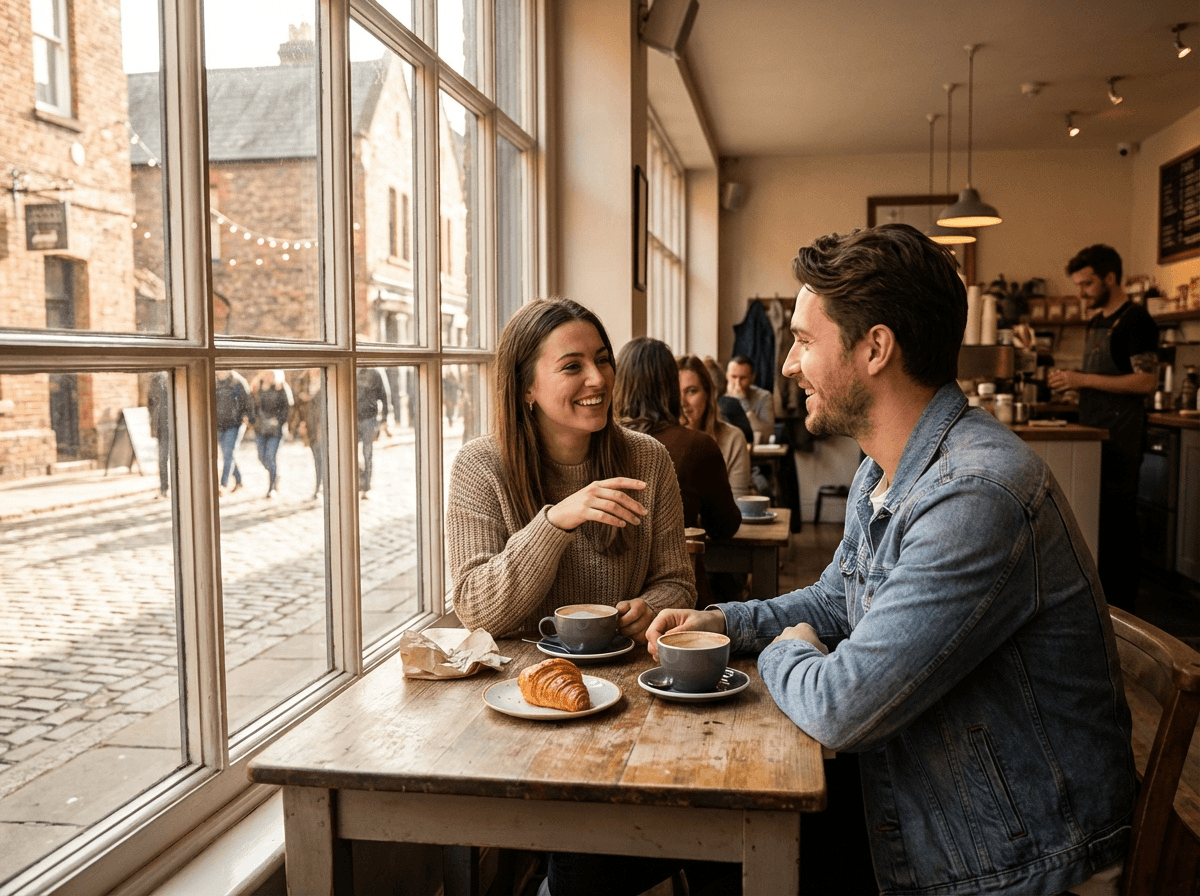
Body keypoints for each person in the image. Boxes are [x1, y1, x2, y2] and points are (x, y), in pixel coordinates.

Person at [649, 224, 1135, 896]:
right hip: (933, 798)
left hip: (1012, 859)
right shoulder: (890, 465)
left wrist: (789, 650)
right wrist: (717, 622)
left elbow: (842, 705)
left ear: (875, 347)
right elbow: (831, 601)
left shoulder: (975, 493)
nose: (788, 364)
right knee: (710, 824)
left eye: (803, 340)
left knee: (724, 838)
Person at [447, 300, 696, 896]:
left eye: (604, 361)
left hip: (629, 705)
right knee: (592, 851)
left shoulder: (647, 459)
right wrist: (554, 522)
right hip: (517, 713)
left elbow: (678, 583)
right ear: (526, 388)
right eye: (572, 366)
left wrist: (650, 608)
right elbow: (476, 607)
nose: (598, 380)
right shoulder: (482, 467)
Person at [1049, 245, 1158, 612]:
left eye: (1087, 283)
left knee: (1119, 524)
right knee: (1099, 521)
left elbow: (1146, 382)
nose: (1081, 292)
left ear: (1111, 277)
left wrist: (1081, 379)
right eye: (1078, 285)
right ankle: (1101, 600)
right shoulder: (1098, 321)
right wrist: (1075, 388)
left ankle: (1124, 607)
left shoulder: (1136, 320)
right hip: (1095, 432)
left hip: (1122, 436)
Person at [614, 337, 742, 606]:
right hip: (677, 600)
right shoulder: (697, 445)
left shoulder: (593, 443)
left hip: (607, 598)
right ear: (671, 387)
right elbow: (724, 526)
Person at [678, 354, 753, 498]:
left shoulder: (732, 438)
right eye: (675, 392)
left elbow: (737, 507)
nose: (682, 402)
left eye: (691, 391)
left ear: (707, 394)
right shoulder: (654, 441)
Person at [252, 370, 293, 498]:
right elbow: (251, 407)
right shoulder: (256, 388)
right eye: (266, 374)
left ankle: (271, 488)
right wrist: (254, 422)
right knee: (261, 457)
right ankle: (275, 474)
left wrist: (279, 420)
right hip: (260, 429)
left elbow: (287, 407)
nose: (268, 377)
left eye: (271, 374)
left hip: (276, 430)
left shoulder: (280, 388)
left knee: (270, 456)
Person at [215, 369, 252, 494]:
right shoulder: (214, 381)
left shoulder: (238, 381)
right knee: (228, 454)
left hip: (235, 424)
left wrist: (246, 418)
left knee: (228, 453)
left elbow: (248, 401)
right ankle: (239, 481)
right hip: (219, 424)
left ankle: (222, 484)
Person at [725, 353, 775, 445]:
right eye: (733, 377)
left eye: (742, 378)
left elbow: (767, 435)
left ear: (752, 378)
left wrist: (742, 402)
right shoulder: (720, 397)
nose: (737, 383)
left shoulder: (764, 397)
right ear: (727, 376)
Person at [356, 366, 389, 499]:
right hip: (351, 418)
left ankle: (366, 487)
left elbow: (385, 395)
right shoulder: (350, 370)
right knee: (351, 454)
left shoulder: (375, 372)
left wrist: (384, 419)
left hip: (369, 419)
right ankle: (358, 482)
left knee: (367, 452)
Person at [146, 371, 170, 498]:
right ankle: (164, 488)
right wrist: (153, 426)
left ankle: (171, 487)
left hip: (175, 426)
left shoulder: (175, 377)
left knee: (176, 459)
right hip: (162, 427)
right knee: (162, 459)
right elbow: (151, 405)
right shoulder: (155, 381)